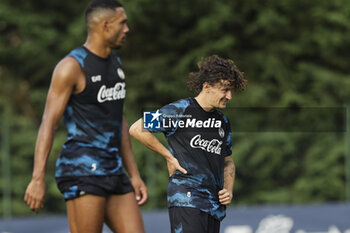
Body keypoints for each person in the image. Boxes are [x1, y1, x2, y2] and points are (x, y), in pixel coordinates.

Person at [24, 0, 147, 232]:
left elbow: (118, 119)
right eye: (123, 23)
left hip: (113, 169)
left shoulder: (115, 63)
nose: (127, 29)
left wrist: (134, 174)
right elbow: (48, 123)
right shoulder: (71, 67)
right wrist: (38, 178)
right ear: (105, 25)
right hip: (82, 169)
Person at [129, 55, 247, 233]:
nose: (229, 96)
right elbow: (137, 128)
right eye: (225, 90)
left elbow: (228, 161)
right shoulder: (180, 111)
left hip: (213, 206)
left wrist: (228, 190)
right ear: (207, 86)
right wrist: (169, 156)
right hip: (187, 197)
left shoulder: (222, 121)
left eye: (231, 91)